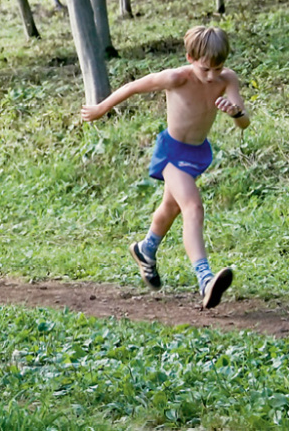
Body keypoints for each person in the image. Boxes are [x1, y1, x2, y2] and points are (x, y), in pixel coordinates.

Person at [81, 26, 249, 309]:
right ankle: (205, 279)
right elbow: (133, 87)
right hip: (171, 152)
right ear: (190, 57)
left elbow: (244, 122)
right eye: (205, 69)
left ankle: (145, 249)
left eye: (217, 68)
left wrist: (236, 112)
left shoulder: (227, 79)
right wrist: (100, 108)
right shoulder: (176, 78)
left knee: (170, 208)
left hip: (197, 154)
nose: (211, 76)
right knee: (193, 207)